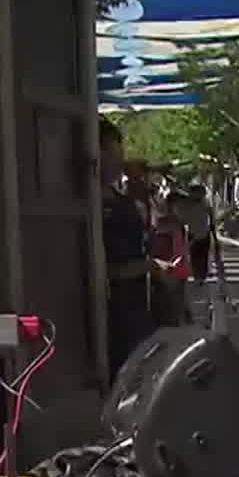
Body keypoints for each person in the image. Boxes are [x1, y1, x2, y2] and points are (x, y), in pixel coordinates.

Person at [99, 119, 153, 376]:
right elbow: (108, 269)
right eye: (111, 154)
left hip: (136, 308)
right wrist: (149, 265)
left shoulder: (124, 202)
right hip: (111, 315)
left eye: (120, 154)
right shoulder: (93, 210)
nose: (118, 162)